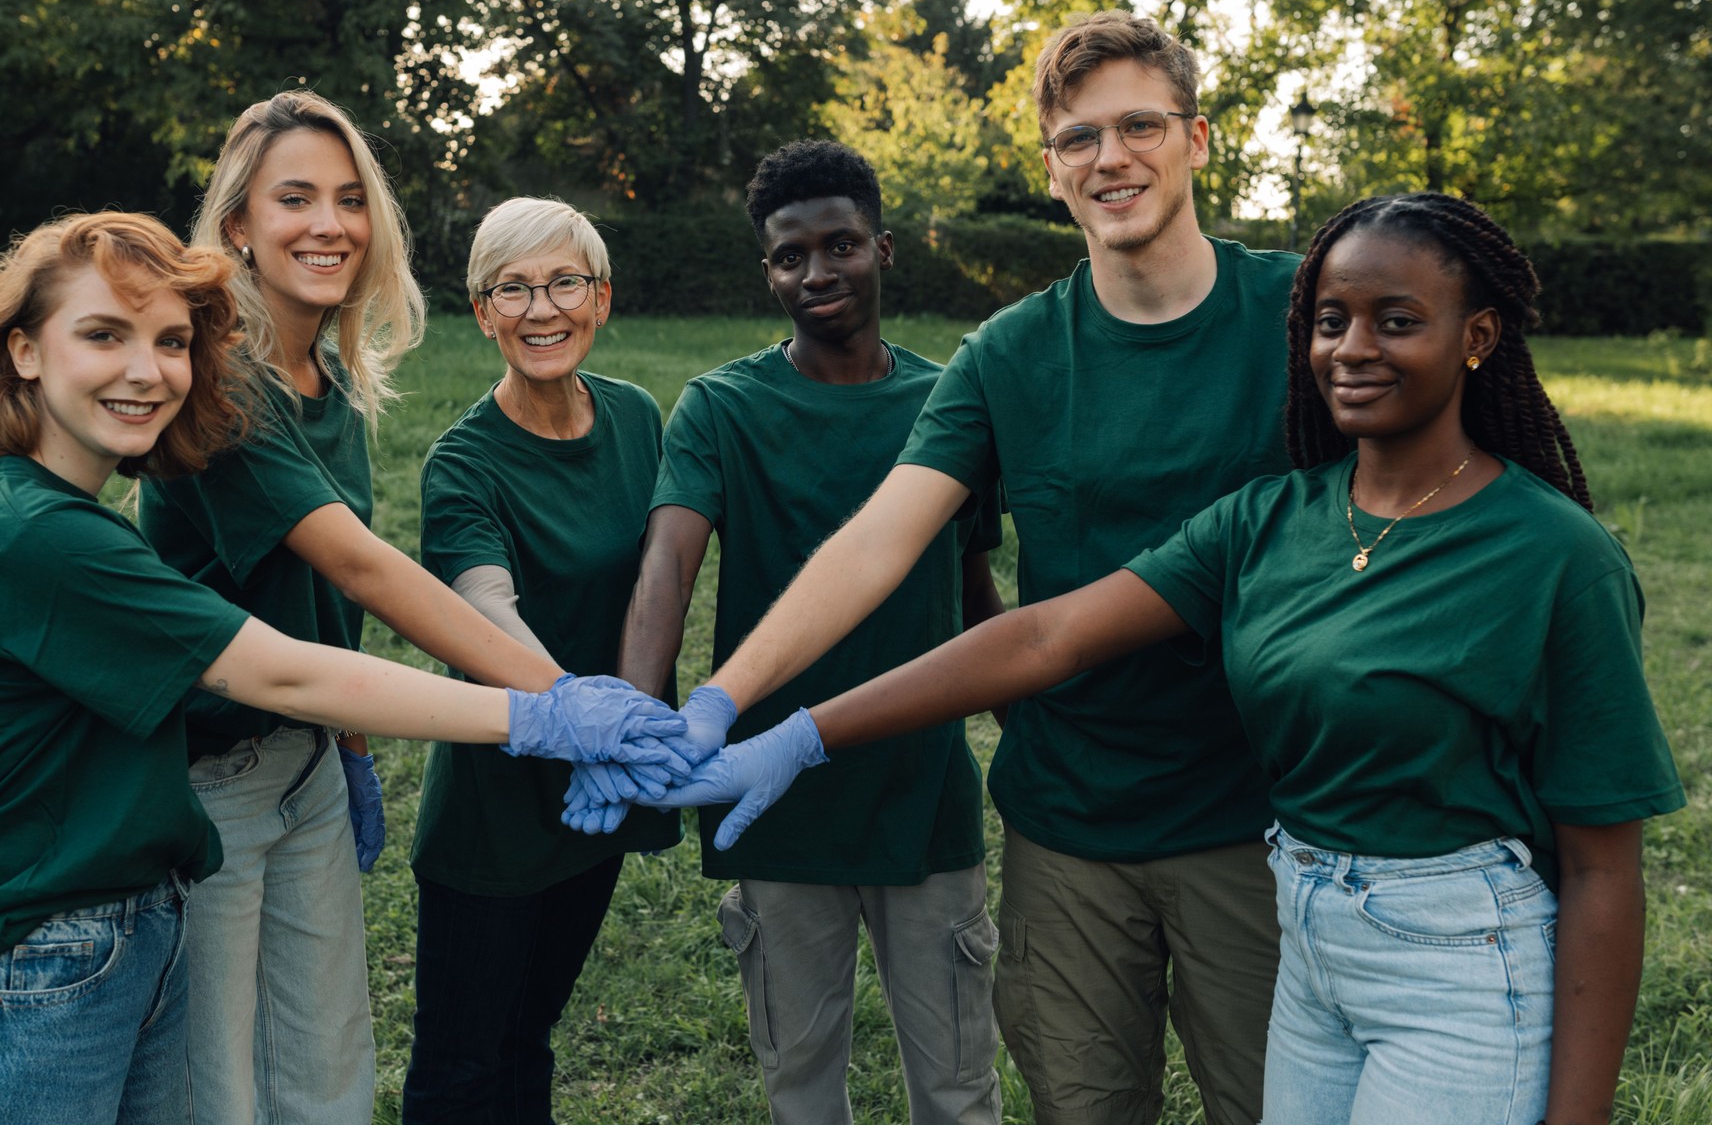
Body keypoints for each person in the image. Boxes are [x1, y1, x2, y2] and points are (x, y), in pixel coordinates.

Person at [665, 192, 1685, 1125]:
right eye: (1331, 321)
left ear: (1479, 336)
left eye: (1397, 320)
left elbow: (1603, 864)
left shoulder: (1554, 552)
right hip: (1315, 953)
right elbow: (1043, 633)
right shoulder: (1270, 519)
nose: (1353, 347)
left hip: (1461, 954)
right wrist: (799, 733)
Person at [611, 12, 1298, 1123]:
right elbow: (882, 540)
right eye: (1080, 137)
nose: (1110, 157)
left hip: (1261, 813)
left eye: (1138, 126)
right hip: (1069, 820)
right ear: (1052, 168)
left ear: (1199, 139)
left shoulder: (1303, 317)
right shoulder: (1009, 354)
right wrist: (724, 702)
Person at [0, 212, 683, 1125]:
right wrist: (545, 716)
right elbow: (285, 671)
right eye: (104, 335)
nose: (147, 371)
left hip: (113, 927)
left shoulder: (65, 513)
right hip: (28, 962)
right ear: (23, 350)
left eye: (173, 342)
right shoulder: (36, 536)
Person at [136, 92, 577, 1124]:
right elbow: (367, 568)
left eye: (349, 199)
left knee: (327, 1071)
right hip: (212, 780)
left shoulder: (323, 372)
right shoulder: (221, 386)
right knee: (222, 1090)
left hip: (308, 759)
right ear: (238, 222)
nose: (328, 224)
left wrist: (353, 748)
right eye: (294, 198)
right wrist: (561, 700)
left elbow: (320, 601)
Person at [581, 141, 1005, 1124]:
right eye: (790, 256)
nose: (818, 272)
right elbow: (667, 567)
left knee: (957, 1088)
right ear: (765, 269)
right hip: (769, 805)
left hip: (925, 796)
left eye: (841, 244)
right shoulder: (723, 406)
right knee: (801, 1087)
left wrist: (1039, 728)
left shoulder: (952, 405)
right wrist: (642, 720)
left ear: (884, 248)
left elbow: (974, 583)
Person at [401, 197, 683, 1122]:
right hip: (499, 810)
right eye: (510, 289)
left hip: (597, 804)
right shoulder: (464, 463)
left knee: (530, 1039)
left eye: (564, 282)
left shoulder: (639, 418)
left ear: (602, 297)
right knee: (459, 1070)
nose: (540, 309)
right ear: (482, 314)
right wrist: (575, 714)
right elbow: (485, 606)